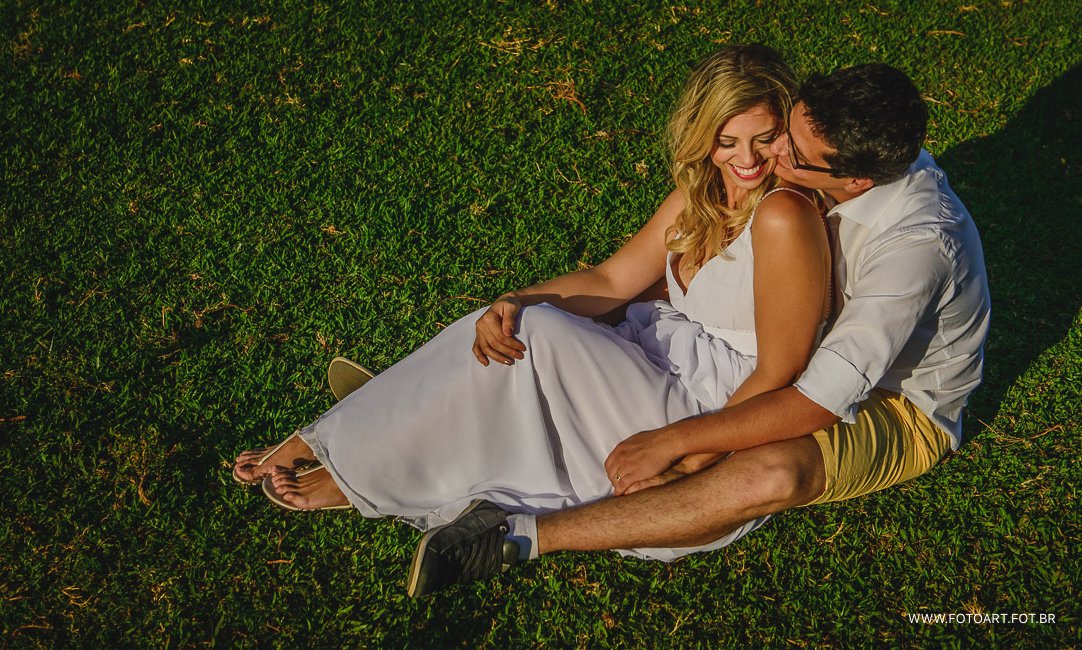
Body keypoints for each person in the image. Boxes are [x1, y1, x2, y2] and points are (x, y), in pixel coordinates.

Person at [231, 43, 831, 581]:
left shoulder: (783, 215)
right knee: (508, 323)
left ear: (788, 129)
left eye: (764, 138)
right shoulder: (701, 193)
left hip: (707, 408)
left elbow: (779, 373)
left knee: (534, 337)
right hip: (652, 364)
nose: (747, 159)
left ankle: (349, 468)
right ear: (701, 135)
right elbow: (611, 279)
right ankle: (381, 430)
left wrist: (687, 458)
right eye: (727, 141)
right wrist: (513, 298)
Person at [404, 62, 991, 597]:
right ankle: (453, 415)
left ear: (854, 181)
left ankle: (519, 535)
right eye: (787, 128)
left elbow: (820, 397)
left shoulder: (914, 246)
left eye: (792, 153)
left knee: (772, 470)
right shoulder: (848, 145)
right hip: (805, 345)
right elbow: (622, 278)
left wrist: (684, 445)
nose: (773, 153)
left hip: (897, 401)